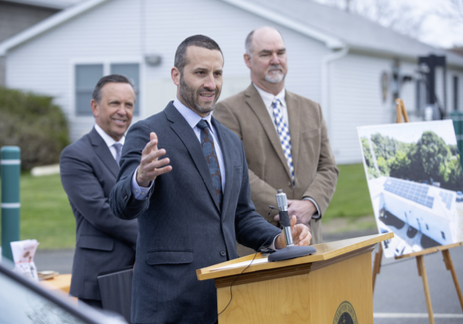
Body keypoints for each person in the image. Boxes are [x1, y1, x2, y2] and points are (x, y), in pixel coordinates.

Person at [109, 35, 312, 324]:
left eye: (217, 74)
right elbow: (120, 204)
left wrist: (279, 239)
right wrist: (140, 179)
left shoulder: (230, 141)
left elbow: (241, 216)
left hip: (228, 298)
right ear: (176, 76)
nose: (211, 83)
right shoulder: (148, 132)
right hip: (169, 303)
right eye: (201, 73)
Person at [214, 27, 339, 255]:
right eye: (265, 54)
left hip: (310, 238)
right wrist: (287, 211)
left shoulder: (313, 110)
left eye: (280, 53)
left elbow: (328, 167)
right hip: (260, 244)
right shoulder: (228, 112)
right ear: (247, 59)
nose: (275, 60)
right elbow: (235, 172)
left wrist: (310, 204)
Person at [60, 74, 138, 308]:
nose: (122, 111)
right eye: (115, 103)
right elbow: (102, 211)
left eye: (129, 105)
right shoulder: (76, 155)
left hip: (142, 275)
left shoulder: (138, 152)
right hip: (100, 278)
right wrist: (153, 238)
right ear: (95, 107)